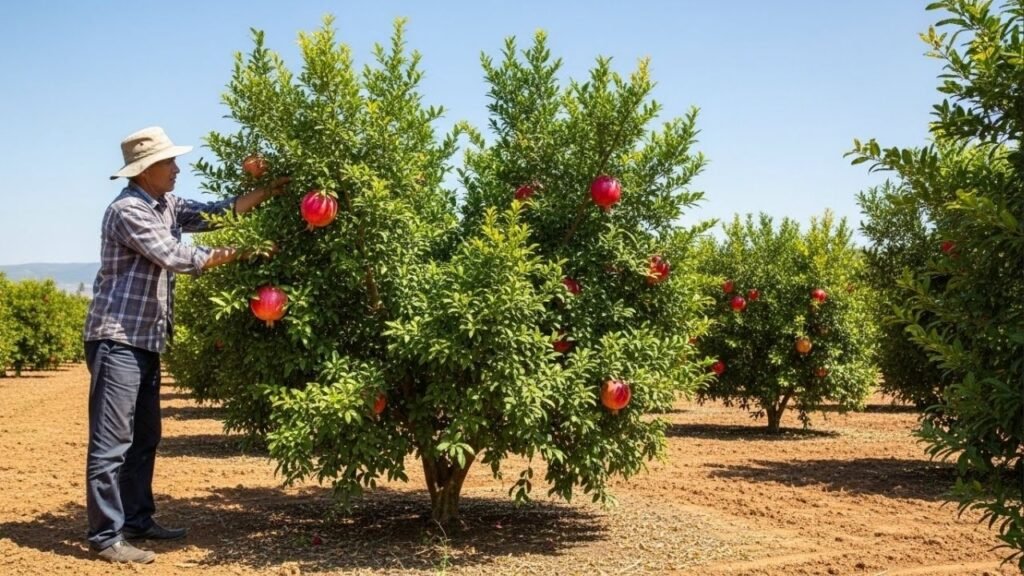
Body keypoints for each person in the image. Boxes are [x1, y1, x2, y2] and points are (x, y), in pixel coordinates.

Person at [82, 126, 288, 564]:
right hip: (116, 339)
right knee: (112, 441)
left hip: (145, 339)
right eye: (169, 162)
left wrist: (268, 189)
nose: (177, 169)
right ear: (145, 170)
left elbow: (218, 212)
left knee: (145, 437)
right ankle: (105, 536)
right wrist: (247, 250)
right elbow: (179, 258)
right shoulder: (129, 211)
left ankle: (137, 519)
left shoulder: (167, 204)